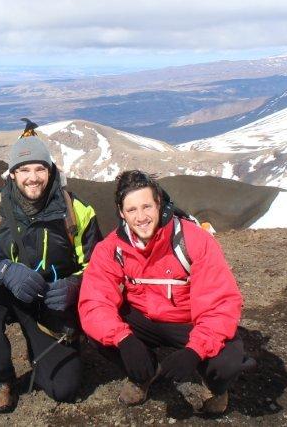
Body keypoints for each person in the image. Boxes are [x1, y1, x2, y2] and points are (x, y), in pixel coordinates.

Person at [0, 120, 102, 413]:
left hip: (52, 299)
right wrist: (5, 271)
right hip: (6, 294)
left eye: (39, 169)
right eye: (23, 170)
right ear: (12, 174)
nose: (32, 178)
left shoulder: (77, 211)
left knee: (64, 388)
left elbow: (99, 268)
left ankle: (44, 345)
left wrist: (74, 287)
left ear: (51, 170)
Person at [78, 169, 248, 415]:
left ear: (159, 204)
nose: (141, 217)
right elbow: (94, 301)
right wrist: (124, 340)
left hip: (188, 321)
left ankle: (216, 387)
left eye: (146, 206)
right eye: (131, 210)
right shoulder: (111, 248)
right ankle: (144, 373)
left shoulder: (194, 240)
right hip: (143, 319)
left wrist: (194, 351)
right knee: (97, 331)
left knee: (226, 362)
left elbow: (220, 305)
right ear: (121, 213)